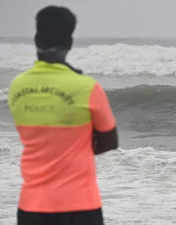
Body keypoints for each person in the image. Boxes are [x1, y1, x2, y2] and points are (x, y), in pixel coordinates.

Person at [8, 5, 118, 225]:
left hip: (32, 207)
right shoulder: (87, 87)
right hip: (80, 206)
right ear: (69, 42)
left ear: (36, 39)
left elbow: (38, 136)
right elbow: (109, 141)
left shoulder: (17, 87)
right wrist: (76, 147)